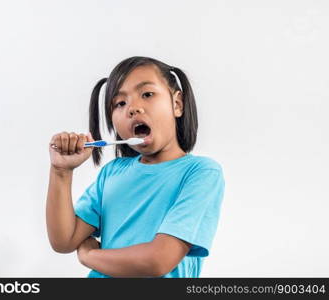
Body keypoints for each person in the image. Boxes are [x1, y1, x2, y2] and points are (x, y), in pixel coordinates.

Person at [46, 56, 225, 278]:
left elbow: (158, 260)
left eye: (147, 94)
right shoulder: (112, 173)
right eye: (120, 103)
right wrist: (61, 172)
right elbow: (64, 240)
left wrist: (89, 256)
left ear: (177, 104)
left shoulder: (200, 173)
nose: (132, 108)